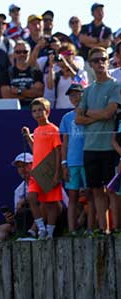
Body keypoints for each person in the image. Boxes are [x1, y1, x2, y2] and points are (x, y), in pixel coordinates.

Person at [76, 47, 121, 233]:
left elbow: (109, 113)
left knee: (112, 190)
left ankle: (116, 228)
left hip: (109, 147)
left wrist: (88, 113)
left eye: (103, 59)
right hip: (90, 147)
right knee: (95, 190)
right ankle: (104, 229)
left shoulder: (116, 86)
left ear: (108, 61)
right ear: (90, 64)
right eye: (96, 60)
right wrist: (98, 115)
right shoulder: (87, 91)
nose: (100, 62)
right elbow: (78, 118)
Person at [21, 97, 63, 240]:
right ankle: (41, 228)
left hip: (49, 170)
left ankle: (49, 232)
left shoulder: (53, 129)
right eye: (34, 111)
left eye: (40, 110)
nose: (38, 113)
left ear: (48, 111)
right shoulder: (37, 130)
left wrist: (57, 172)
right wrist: (28, 137)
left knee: (50, 203)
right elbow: (36, 150)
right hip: (37, 171)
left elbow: (58, 151)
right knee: (32, 197)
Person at [60, 84, 89, 234]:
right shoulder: (67, 118)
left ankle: (91, 228)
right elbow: (64, 143)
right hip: (72, 162)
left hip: (88, 160)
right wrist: (64, 163)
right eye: (71, 96)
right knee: (73, 197)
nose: (74, 98)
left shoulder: (90, 113)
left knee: (90, 195)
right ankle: (72, 230)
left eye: (77, 94)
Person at [0, 154, 34, 243]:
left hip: (45, 221)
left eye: (24, 165)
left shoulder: (43, 182)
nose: (22, 169)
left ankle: (31, 233)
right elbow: (18, 213)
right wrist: (11, 219)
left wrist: (25, 200)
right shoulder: (18, 190)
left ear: (33, 165)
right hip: (26, 222)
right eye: (19, 167)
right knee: (3, 227)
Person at [0, 41, 44, 107]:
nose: (22, 54)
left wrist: (19, 91)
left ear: (30, 53)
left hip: (33, 110)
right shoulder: (7, 73)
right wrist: (28, 94)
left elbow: (38, 93)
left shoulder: (36, 72)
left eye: (25, 52)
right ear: (14, 54)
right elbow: (6, 95)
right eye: (18, 52)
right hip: (13, 109)